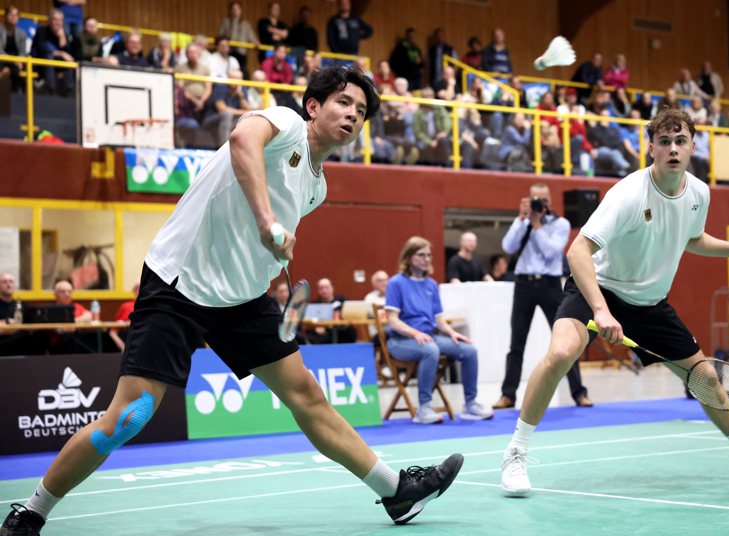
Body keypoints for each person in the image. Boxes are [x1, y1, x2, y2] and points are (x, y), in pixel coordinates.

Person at [1, 65, 463, 535]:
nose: (352, 115)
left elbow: (255, 238)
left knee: (308, 397)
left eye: (361, 112)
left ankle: (395, 491)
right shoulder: (282, 125)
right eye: (344, 102)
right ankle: (32, 509)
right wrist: (267, 222)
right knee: (129, 416)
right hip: (179, 283)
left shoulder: (317, 187)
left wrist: (272, 258)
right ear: (313, 106)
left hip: (241, 298)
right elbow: (243, 141)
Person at [499, 109, 729, 498]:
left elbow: (691, 237)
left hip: (649, 302)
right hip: (599, 287)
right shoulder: (628, 193)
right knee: (561, 352)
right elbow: (578, 251)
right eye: (664, 142)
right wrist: (600, 309)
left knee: (706, 378)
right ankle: (516, 454)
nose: (673, 149)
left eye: (680, 141)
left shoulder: (699, 193)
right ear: (651, 149)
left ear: (693, 146)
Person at [494, 183, 591, 410]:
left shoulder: (560, 224)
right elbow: (507, 246)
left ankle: (579, 393)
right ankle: (508, 395)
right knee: (516, 341)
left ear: (550, 201)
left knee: (567, 339)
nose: (540, 204)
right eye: (535, 200)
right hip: (523, 284)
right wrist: (521, 219)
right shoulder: (524, 222)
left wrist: (537, 225)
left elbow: (552, 251)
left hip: (549, 285)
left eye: (544, 200)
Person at [385, 236, 493, 424]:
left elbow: (439, 321)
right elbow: (392, 320)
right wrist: (415, 333)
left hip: (430, 337)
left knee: (469, 350)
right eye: (421, 255)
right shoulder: (396, 283)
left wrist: (453, 333)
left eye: (429, 255)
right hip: (401, 341)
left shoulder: (432, 285)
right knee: (430, 350)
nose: (427, 259)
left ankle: (470, 404)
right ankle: (424, 408)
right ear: (409, 257)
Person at [108, 283, 139, 352]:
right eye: (137, 289)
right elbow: (113, 331)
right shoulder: (126, 306)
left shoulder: (149, 306)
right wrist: (123, 346)